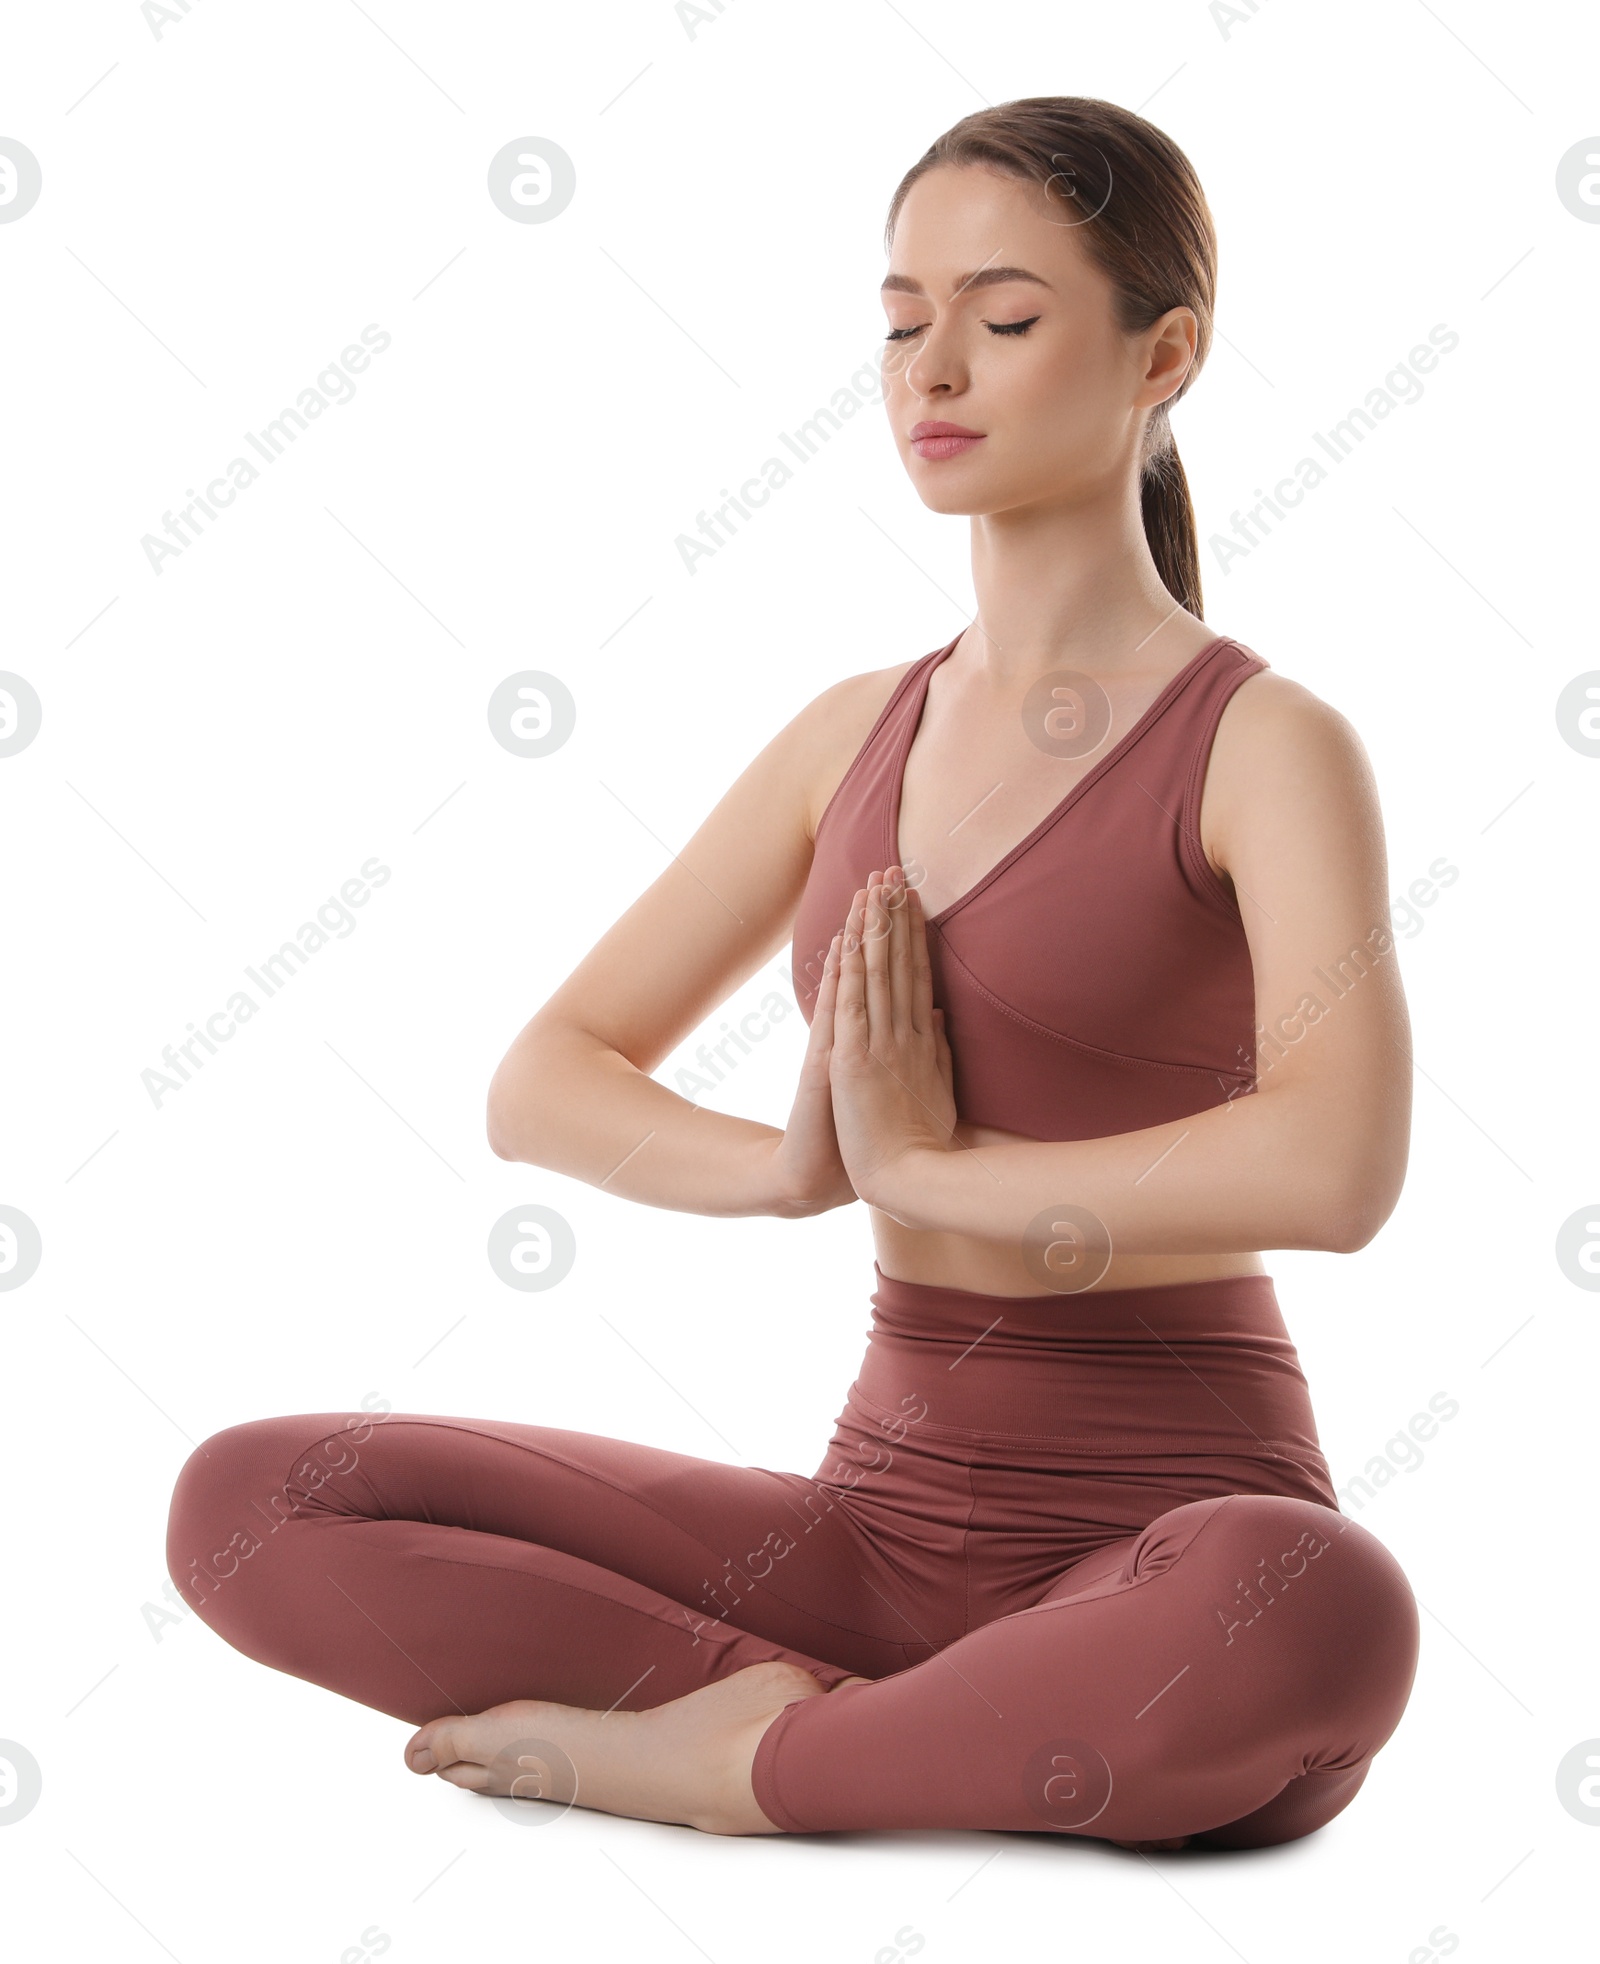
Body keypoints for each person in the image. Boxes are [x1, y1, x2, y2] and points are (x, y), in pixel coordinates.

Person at [166, 96, 1420, 1849]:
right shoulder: (853, 736)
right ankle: (882, 1731)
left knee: (1318, 1604)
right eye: (904, 321)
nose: (935, 371)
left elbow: (1337, 1164)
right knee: (246, 1501)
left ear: (1166, 354)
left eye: (1003, 317)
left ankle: (745, 1767)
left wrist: (936, 1170)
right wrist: (787, 1169)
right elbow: (548, 1076)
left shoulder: (1264, 741)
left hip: (1170, 1556)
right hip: (864, 1546)